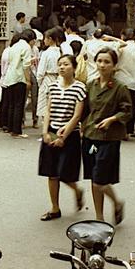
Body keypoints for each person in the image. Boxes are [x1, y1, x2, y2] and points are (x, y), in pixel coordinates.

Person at [82, 48, 131, 224]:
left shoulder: (120, 88)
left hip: (109, 138)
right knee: (94, 179)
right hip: (90, 135)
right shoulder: (90, 85)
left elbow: (127, 111)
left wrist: (112, 119)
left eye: (107, 62)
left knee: (99, 180)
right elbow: (84, 111)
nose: (102, 65)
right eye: (100, 61)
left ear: (114, 66)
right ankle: (99, 217)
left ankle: (116, 203)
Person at [39, 54, 87, 221]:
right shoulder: (52, 86)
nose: (61, 67)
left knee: (65, 173)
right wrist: (45, 132)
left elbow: (77, 116)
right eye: (60, 64)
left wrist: (63, 136)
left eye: (66, 64)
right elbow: (48, 110)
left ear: (73, 68)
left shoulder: (80, 88)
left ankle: (77, 190)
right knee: (51, 173)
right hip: (52, 132)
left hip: (70, 135)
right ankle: (55, 208)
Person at [110, 29, 135, 137]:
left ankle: (121, 129)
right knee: (131, 106)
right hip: (134, 81)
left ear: (123, 36)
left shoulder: (122, 48)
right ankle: (129, 130)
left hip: (121, 80)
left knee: (120, 106)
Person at [2, 29, 33, 138]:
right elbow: (26, 66)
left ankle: (10, 128)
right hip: (19, 78)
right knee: (19, 105)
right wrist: (28, 80)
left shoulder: (14, 46)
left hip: (10, 78)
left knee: (12, 104)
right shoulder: (26, 47)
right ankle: (17, 131)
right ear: (31, 39)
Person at [36, 28, 62, 124]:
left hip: (47, 79)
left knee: (45, 107)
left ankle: (45, 130)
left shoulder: (46, 53)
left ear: (50, 39)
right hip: (58, 79)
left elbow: (40, 71)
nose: (44, 41)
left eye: (45, 38)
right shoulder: (60, 51)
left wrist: (39, 82)